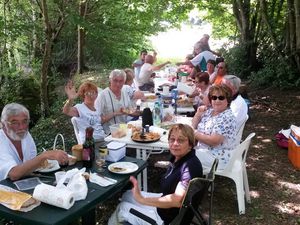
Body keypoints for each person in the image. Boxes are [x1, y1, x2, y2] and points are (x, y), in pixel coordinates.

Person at [108, 124, 203, 225]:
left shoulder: (190, 166)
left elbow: (177, 200)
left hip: (167, 220)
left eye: (181, 140)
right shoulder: (179, 158)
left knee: (121, 208)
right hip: (166, 208)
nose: (175, 143)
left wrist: (142, 199)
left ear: (190, 144)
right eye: (172, 139)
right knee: (128, 195)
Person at [0, 103, 68, 181]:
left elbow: (31, 165)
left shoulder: (26, 136)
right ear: (3, 124)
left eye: (24, 121)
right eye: (14, 122)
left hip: (22, 184)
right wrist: (44, 155)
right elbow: (14, 174)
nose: (21, 127)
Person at [192, 84, 237, 170]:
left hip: (218, 157)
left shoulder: (227, 117)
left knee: (183, 153)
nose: (217, 100)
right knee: (180, 148)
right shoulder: (210, 112)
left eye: (221, 97)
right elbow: (193, 125)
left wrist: (193, 132)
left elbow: (214, 141)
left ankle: (183, 179)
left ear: (228, 100)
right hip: (203, 151)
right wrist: (198, 115)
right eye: (214, 97)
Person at [95, 69, 137, 134]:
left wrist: (142, 112)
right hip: (110, 133)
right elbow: (97, 120)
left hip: (124, 129)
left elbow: (130, 110)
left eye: (121, 81)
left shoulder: (124, 92)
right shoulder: (102, 96)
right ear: (110, 80)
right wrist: (115, 113)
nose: (118, 84)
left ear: (124, 81)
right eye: (115, 80)